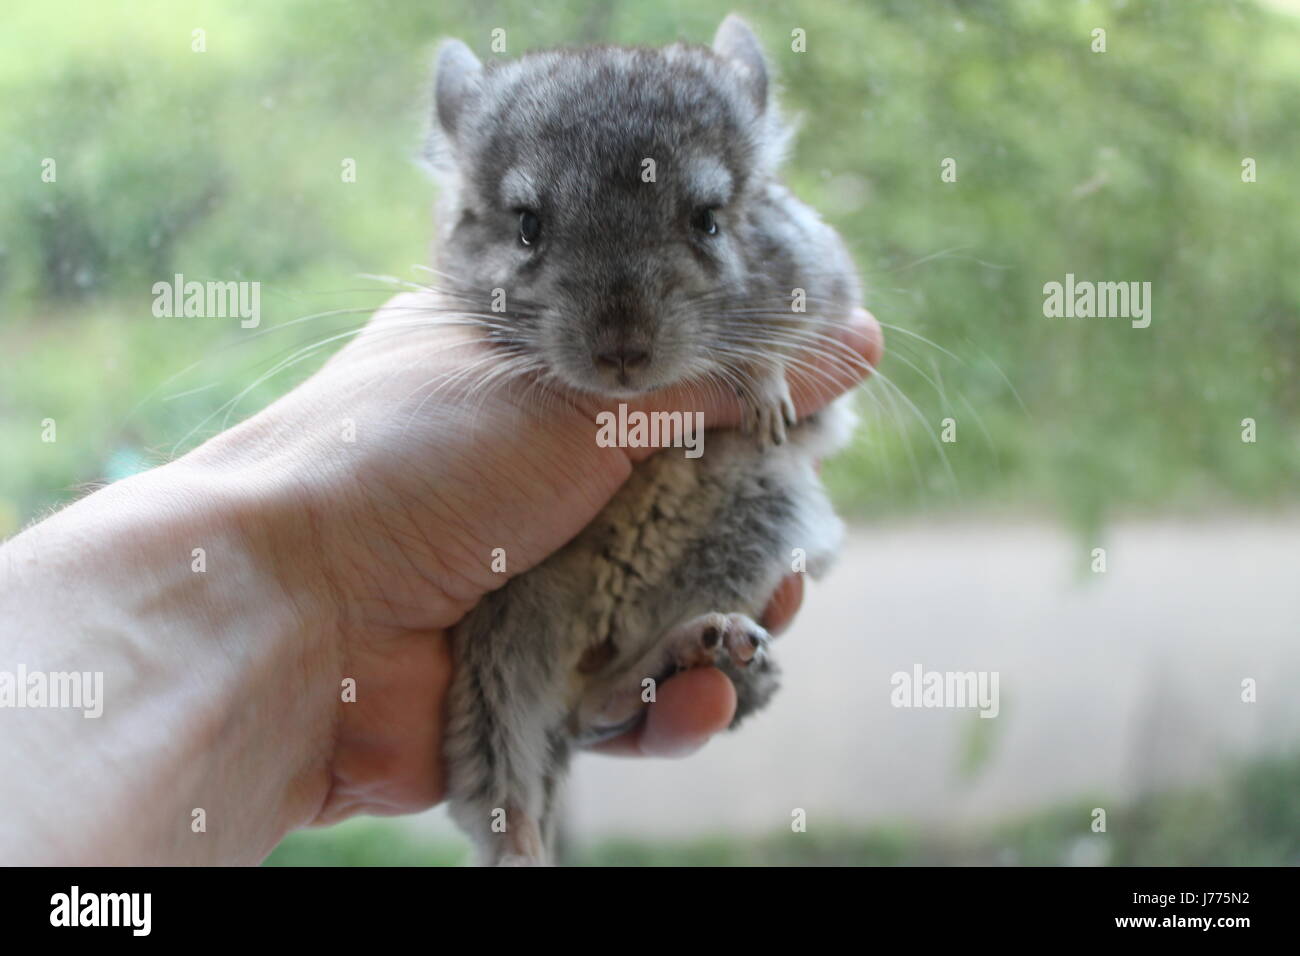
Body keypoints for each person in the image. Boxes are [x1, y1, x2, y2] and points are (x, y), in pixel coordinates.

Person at [0, 292, 881, 864]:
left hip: (698, 550)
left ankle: (637, 684)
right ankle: (515, 826)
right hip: (534, 586)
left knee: (757, 565)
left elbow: (822, 360)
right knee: (515, 626)